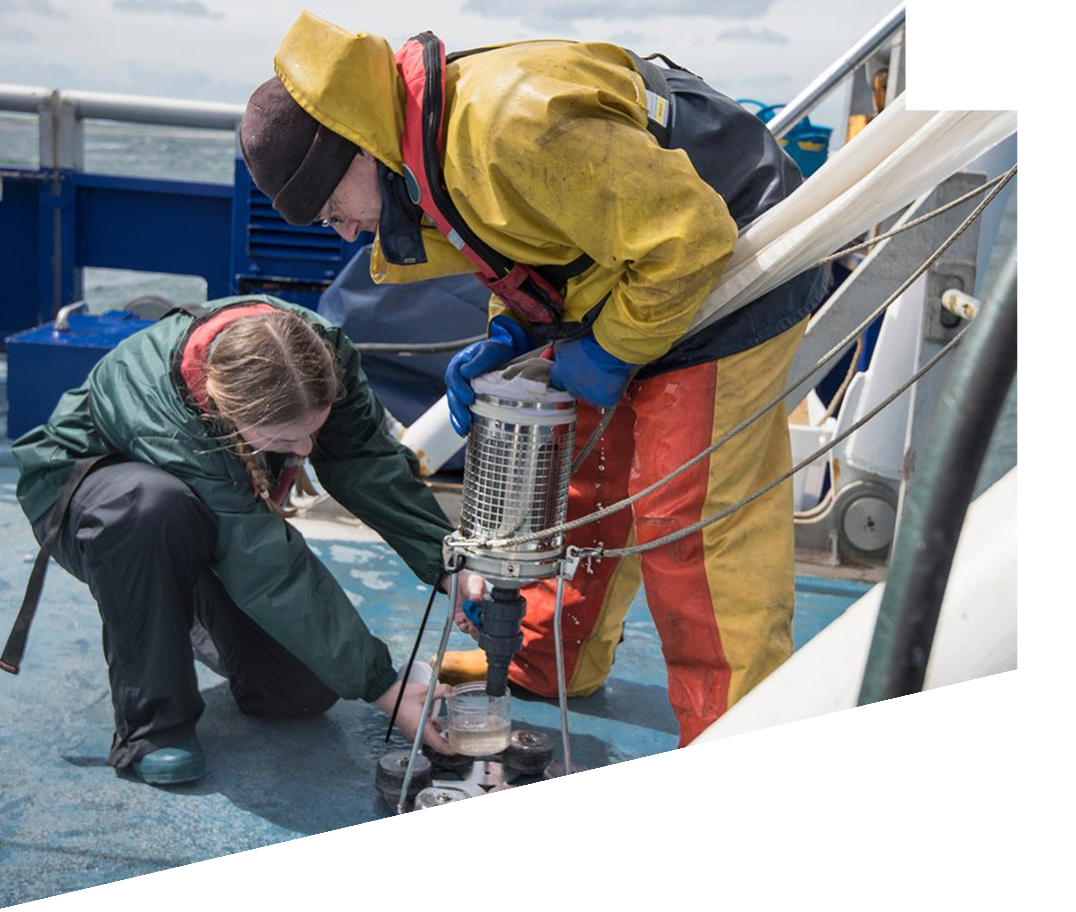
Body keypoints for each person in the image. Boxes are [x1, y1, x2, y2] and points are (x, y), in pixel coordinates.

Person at [238, 10, 829, 790]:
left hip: (734, 262)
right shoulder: (426, 151)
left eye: (327, 208)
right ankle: (554, 662)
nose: (341, 232)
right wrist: (516, 328)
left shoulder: (511, 122)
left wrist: (614, 347)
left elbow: (689, 237)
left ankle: (741, 765)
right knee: (585, 479)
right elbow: (539, 232)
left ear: (356, 149)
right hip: (632, 275)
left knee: (689, 521)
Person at [7, 295, 482, 784]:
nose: (304, 450)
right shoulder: (163, 408)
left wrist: (451, 564)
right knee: (152, 505)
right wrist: (386, 688)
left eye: (315, 430)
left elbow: (368, 465)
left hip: (204, 515)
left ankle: (182, 603)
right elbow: (262, 558)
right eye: (283, 442)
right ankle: (154, 728)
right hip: (92, 499)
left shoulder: (314, 357)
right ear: (223, 410)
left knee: (299, 693)